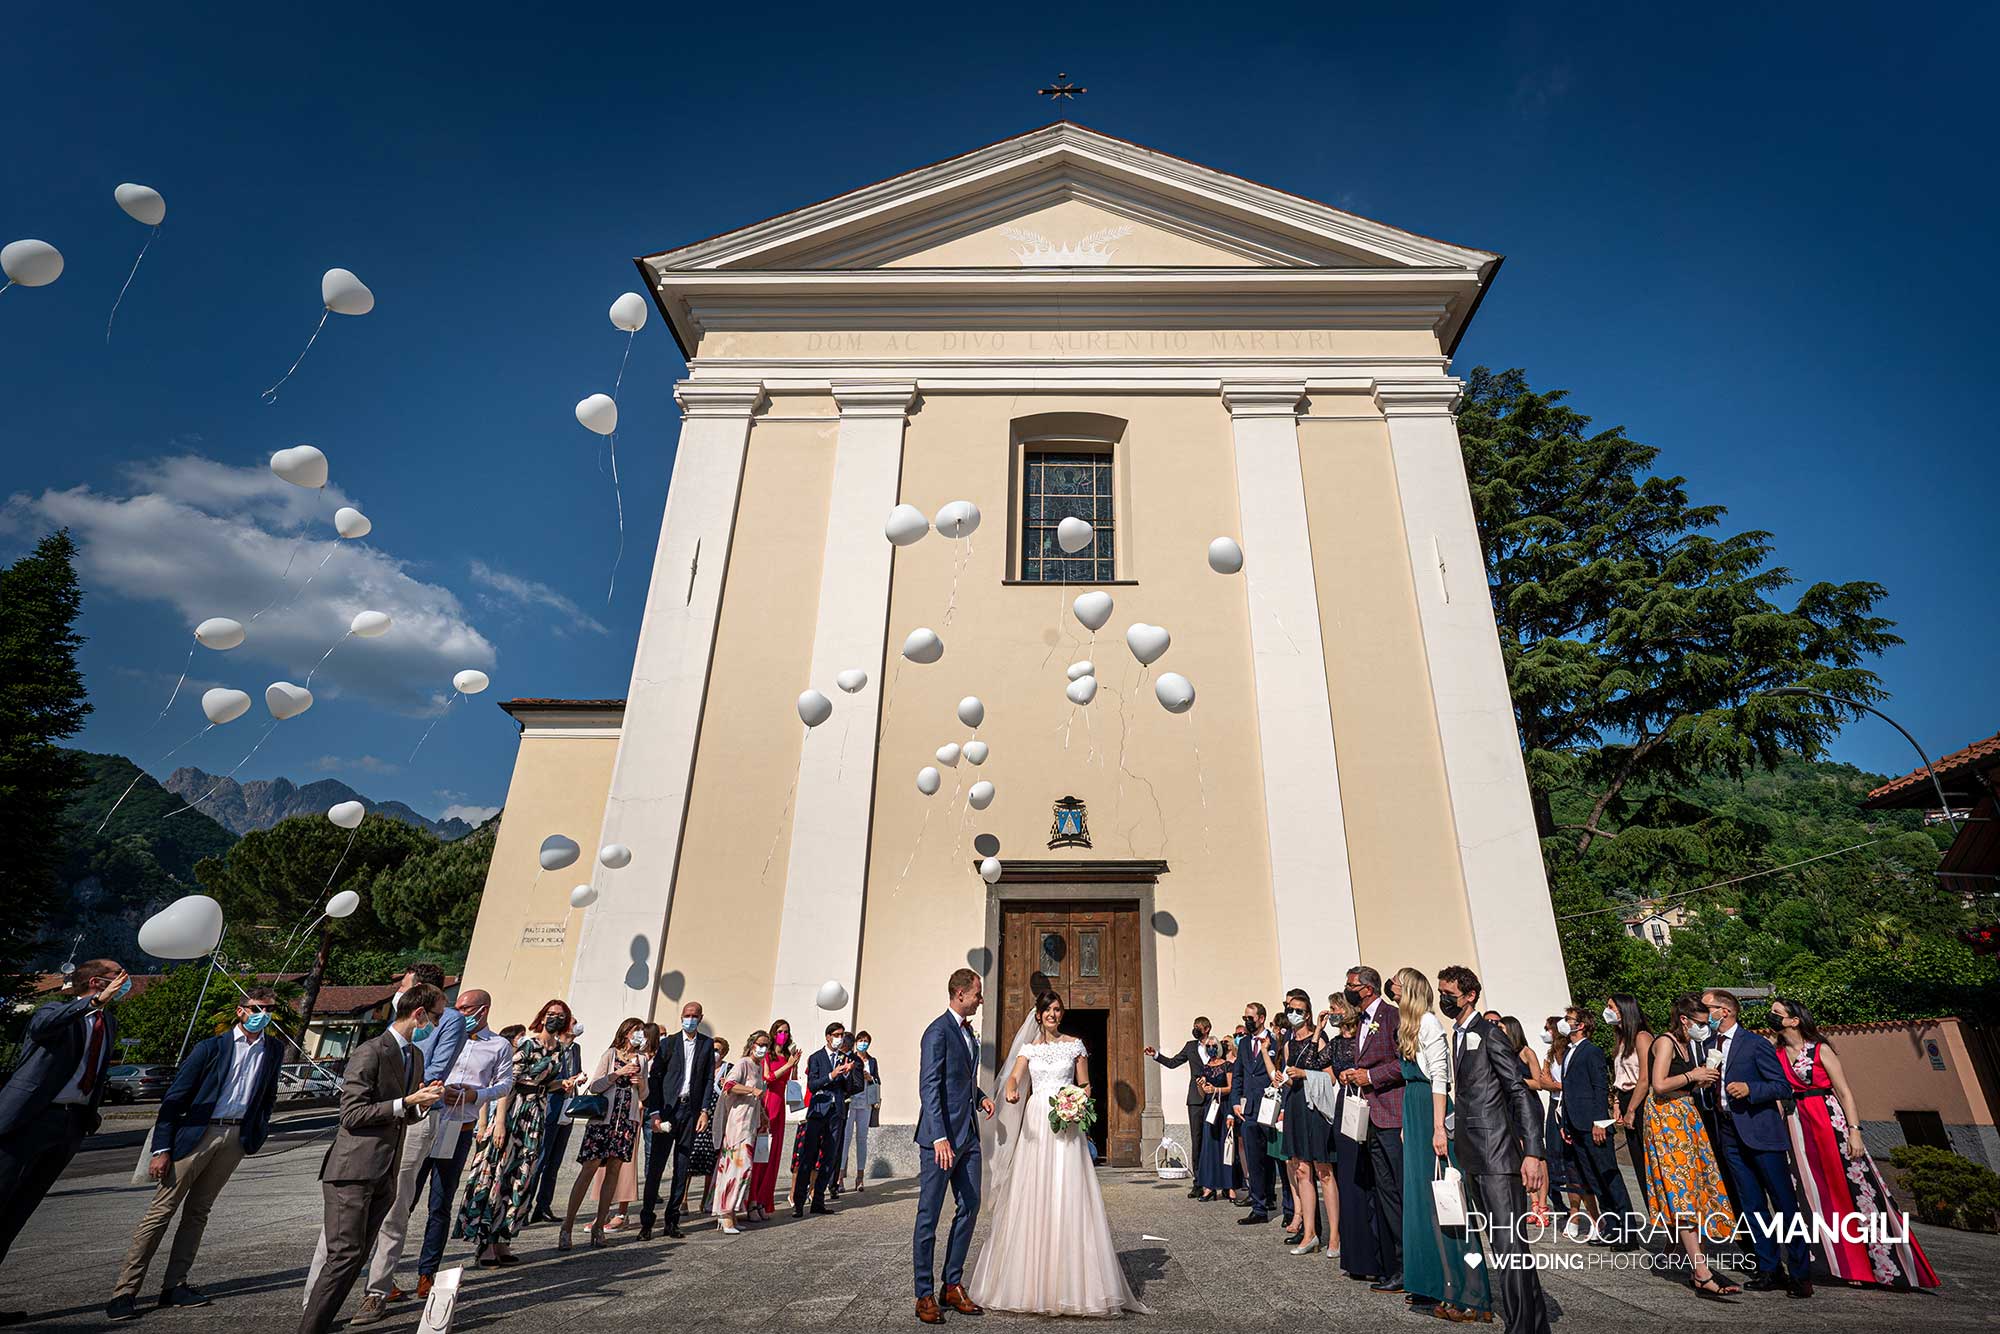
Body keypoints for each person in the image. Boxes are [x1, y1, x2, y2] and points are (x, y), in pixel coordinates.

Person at [107, 986, 285, 1320]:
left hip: (235, 1136)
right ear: (241, 1010)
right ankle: (125, 1291)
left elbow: (269, 1094)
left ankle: (175, 1284)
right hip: (196, 1135)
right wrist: (162, 1148)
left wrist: (258, 1129)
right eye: (258, 1006)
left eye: (270, 1008)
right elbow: (174, 1098)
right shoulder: (211, 1048)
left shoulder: (273, 1049)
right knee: (161, 1213)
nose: (265, 1013)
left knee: (199, 1212)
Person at [966, 989, 1147, 1316]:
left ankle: (1076, 1284)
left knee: (1068, 1191)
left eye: (1058, 1009)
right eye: (1047, 1009)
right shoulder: (1028, 1049)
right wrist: (1009, 1090)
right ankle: (1029, 1282)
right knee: (1035, 1191)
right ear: (1038, 1015)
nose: (1053, 1014)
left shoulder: (1075, 1045)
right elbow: (1015, 1079)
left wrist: (1077, 1102)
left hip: (1065, 1122)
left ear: (1062, 1014)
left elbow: (1085, 1085)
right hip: (1037, 1122)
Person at [300, 962, 468, 1310]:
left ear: (418, 993)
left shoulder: (446, 1020)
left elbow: (430, 1073)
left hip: (413, 1118)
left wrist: (416, 1097)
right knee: (343, 1223)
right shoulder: (381, 1042)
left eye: (403, 986)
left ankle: (376, 1291)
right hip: (382, 1121)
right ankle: (317, 1298)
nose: (397, 994)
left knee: (394, 1209)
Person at [1770, 996, 1938, 1288]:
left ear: (1794, 1020)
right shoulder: (1777, 1053)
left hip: (1829, 1121)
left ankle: (1881, 1264)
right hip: (1797, 1125)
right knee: (1815, 1195)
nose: (1770, 1016)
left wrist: (1855, 1130)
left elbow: (1844, 1092)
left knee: (1856, 1190)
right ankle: (1838, 1263)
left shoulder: (1820, 1050)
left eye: (1776, 1013)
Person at [0, 957, 130, 1324]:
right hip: (28, 1121)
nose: (125, 983)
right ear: (95, 982)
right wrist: (90, 1003)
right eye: (118, 976)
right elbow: (43, 1026)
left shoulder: (109, 1023)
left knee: (16, 1214)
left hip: (70, 1126)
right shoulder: (55, 1011)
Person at [1437, 967, 1550, 1334]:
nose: (1444, 999)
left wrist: (1533, 1152)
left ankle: (1521, 1327)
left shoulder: (1490, 1035)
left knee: (1509, 1246)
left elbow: (1519, 1092)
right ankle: (1533, 1324)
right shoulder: (1459, 1035)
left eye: (1449, 993)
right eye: (1441, 992)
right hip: (1472, 1154)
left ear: (1469, 995)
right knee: (1503, 1247)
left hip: (1498, 1156)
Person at [404, 990, 514, 1307]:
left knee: (440, 1204)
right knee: (404, 1200)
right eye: (456, 1006)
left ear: (483, 1010)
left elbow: (505, 1084)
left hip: (459, 1129)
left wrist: (475, 1095)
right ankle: (386, 1275)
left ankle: (427, 1273)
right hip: (425, 1122)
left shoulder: (499, 1045)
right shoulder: (441, 1034)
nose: (458, 1012)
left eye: (465, 1007)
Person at [1703, 988, 1812, 1296]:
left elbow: (1781, 1086)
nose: (1702, 1012)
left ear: (1724, 1012)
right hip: (1729, 1132)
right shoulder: (1708, 1046)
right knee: (1751, 1206)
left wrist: (1750, 1089)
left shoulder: (1754, 1044)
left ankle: (1800, 1274)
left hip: (1760, 1132)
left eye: (1706, 1007)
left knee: (1783, 1204)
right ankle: (1769, 1269)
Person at [1393, 967, 1488, 1321]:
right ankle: (1445, 1285)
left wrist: (1436, 1128)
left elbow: (1440, 1078)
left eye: (1398, 984)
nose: (1393, 989)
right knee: (1427, 1208)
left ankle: (1473, 1293)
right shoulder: (1409, 1028)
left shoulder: (1430, 1024)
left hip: (1431, 1113)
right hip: (1414, 1113)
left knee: (1448, 1205)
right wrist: (1408, 1124)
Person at [454, 999, 572, 1266]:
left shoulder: (559, 1050)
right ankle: (484, 1244)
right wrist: (498, 1124)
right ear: (542, 1017)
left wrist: (561, 1083)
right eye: (551, 1014)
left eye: (560, 1016)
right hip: (514, 1112)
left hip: (536, 1115)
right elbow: (507, 1083)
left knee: (521, 1177)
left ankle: (503, 1241)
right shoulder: (528, 1045)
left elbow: (545, 1082)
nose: (554, 1019)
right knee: (498, 1174)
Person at [1642, 995, 1740, 1299]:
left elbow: (1679, 1082)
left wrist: (1698, 1082)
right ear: (1684, 1020)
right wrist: (1692, 1075)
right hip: (1666, 1119)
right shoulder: (1666, 1042)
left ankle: (1698, 1265)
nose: (1705, 1027)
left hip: (1684, 1114)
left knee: (1693, 1187)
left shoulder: (1688, 1045)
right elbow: (1657, 1084)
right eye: (1700, 1022)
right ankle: (1701, 1272)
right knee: (1681, 1189)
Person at [912, 968, 996, 1324]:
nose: (981, 999)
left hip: (968, 1137)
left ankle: (953, 1283)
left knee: (971, 1205)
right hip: (941, 1140)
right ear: (961, 993)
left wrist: (979, 1097)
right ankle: (924, 1294)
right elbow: (929, 1086)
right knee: (929, 1216)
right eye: (977, 993)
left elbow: (958, 1079)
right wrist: (939, 1136)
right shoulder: (937, 1031)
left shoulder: (968, 1034)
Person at [1339, 965, 1406, 1293]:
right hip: (1369, 1116)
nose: (1347, 989)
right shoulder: (1360, 1022)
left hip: (1392, 1114)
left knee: (1399, 1190)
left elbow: (1405, 1061)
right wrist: (1355, 1073)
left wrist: (1371, 1077)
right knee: (1384, 1193)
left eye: (1350, 985)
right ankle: (1393, 1264)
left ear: (1366, 988)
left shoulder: (1392, 1017)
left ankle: (1410, 1263)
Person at [562, 1017, 649, 1250]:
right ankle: (567, 1227)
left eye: (642, 1031)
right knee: (589, 1169)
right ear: (626, 1032)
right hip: (603, 1122)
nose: (640, 1034)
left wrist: (640, 1082)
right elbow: (595, 1086)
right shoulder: (610, 1054)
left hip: (626, 1123)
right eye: (636, 1030)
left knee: (614, 1171)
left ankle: (600, 1227)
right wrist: (618, 1073)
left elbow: (644, 1095)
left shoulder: (642, 1059)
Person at [1267, 988, 1338, 1257]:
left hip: (1314, 1109)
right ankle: (1310, 1234)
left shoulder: (1319, 1040)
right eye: (1290, 1010)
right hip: (1295, 1105)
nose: (1293, 1014)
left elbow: (1330, 1077)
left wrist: (1305, 1073)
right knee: (1301, 1171)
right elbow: (1286, 1074)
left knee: (1324, 1171)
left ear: (1307, 1014)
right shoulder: (1287, 1044)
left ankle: (1335, 1237)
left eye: (1298, 1010)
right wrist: (1281, 1079)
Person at [1552, 1004, 1632, 1242]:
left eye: (1569, 1019)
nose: (1565, 1023)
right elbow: (1569, 1091)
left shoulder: (1592, 1051)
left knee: (1608, 1177)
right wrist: (1566, 1124)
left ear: (1581, 1025)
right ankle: (1610, 1226)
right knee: (1593, 1179)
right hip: (1575, 1126)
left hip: (1593, 1125)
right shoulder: (1569, 1052)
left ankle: (1627, 1231)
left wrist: (1601, 1122)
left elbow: (1599, 1088)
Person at [643, 1000, 715, 1239]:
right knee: (656, 1167)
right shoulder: (669, 1044)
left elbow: (707, 1080)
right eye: (687, 1015)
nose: (690, 1019)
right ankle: (647, 1220)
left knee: (682, 1167)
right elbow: (654, 1079)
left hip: (690, 1111)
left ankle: (672, 1221)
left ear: (700, 1018)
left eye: (694, 1015)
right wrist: (654, 1112)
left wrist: (704, 1110)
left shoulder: (706, 1045)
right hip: (666, 1111)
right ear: (681, 1017)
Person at [1328, 1001, 1383, 1281]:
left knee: (1370, 1181)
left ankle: (1376, 1256)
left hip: (1368, 1104)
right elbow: (1314, 1061)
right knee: (1348, 1179)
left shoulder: (1368, 1032)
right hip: (1346, 1106)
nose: (1332, 1013)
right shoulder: (1336, 1043)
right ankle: (1356, 1257)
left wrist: (1358, 1075)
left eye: (1335, 1008)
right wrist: (1317, 1030)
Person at [794, 1020, 861, 1217]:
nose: (840, 1039)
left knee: (830, 1157)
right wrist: (832, 1075)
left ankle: (818, 1200)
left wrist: (848, 1074)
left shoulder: (845, 1058)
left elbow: (851, 1088)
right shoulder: (816, 1058)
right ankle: (799, 1202)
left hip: (837, 1111)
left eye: (842, 1035)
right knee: (809, 1155)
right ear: (828, 1036)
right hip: (818, 1111)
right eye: (837, 1035)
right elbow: (813, 1085)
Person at [1144, 1016, 1214, 1200]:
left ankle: (1215, 1183)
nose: (1195, 1029)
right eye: (1193, 1026)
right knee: (1197, 1140)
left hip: (1214, 1097)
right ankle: (1198, 1183)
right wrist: (1156, 1055)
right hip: (1195, 1099)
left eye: (1198, 1027)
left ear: (1207, 1029)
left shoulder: (1216, 1044)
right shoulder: (1190, 1046)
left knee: (1213, 1140)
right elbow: (1173, 1062)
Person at [526, 1015, 584, 1224]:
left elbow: (575, 1071)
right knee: (540, 1159)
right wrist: (562, 1082)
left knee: (555, 1161)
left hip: (568, 1106)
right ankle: (525, 1205)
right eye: (574, 1022)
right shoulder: (554, 1047)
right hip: (551, 1104)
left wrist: (579, 1078)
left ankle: (543, 1206)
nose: (577, 1026)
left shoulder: (575, 1049)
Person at [711, 1031, 769, 1234]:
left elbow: (758, 1095)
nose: (763, 1048)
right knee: (737, 1168)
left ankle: (732, 1213)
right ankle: (725, 1213)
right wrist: (752, 1091)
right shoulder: (743, 1063)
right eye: (760, 1044)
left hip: (750, 1123)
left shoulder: (758, 1067)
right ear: (752, 1045)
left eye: (766, 1045)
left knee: (744, 1170)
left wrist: (762, 1114)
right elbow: (729, 1085)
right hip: (738, 1123)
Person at [1497, 1017, 1553, 1225]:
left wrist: (1516, 1081)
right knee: (1521, 1152)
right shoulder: (1503, 1053)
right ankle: (1534, 1203)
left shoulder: (1526, 1052)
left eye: (1502, 1028)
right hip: (1511, 1107)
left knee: (1537, 1153)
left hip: (1529, 1104)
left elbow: (1539, 1083)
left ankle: (1544, 1205)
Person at [1230, 1000, 1278, 1226]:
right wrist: (1235, 1103)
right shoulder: (1244, 1044)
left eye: (1250, 1018)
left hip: (1272, 1107)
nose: (1247, 1022)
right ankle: (1259, 1206)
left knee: (1276, 1158)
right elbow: (1238, 1075)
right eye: (1244, 1018)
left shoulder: (1276, 1040)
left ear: (1261, 1018)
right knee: (1254, 1158)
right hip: (1249, 1111)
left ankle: (1281, 1203)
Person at [1605, 994, 1653, 1208]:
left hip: (1641, 1100)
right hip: (1625, 1098)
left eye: (1611, 1007)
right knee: (1638, 1164)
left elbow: (1644, 1077)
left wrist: (1631, 1108)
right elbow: (1620, 1077)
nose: (1607, 1012)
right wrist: (1617, 1103)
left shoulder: (1642, 1037)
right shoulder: (1621, 1040)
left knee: (1649, 1163)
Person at [752, 1019, 798, 1220]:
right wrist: (786, 1065)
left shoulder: (787, 1055)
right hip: (768, 1102)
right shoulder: (767, 1055)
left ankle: (763, 1201)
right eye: (780, 1031)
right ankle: (752, 1201)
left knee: (773, 1157)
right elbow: (768, 1077)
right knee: (762, 1153)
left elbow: (790, 1080)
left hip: (781, 1106)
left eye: (786, 1032)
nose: (783, 1035)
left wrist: (793, 1065)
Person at [1192, 1038, 1234, 1201]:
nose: (1211, 1048)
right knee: (1209, 1146)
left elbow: (1231, 1088)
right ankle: (1209, 1187)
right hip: (1211, 1108)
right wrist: (1200, 1085)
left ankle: (1229, 1187)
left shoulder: (1227, 1065)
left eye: (1213, 1046)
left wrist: (1216, 1089)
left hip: (1224, 1107)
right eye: (1208, 1046)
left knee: (1226, 1146)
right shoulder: (1205, 1068)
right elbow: (1203, 1093)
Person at [846, 1030, 881, 1191]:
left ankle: (860, 1178)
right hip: (851, 1102)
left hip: (866, 1103)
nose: (863, 1043)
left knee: (862, 1139)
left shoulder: (872, 1061)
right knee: (845, 1139)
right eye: (860, 1040)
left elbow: (877, 1080)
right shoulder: (849, 1057)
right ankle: (839, 1178)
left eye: (866, 1040)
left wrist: (870, 1078)